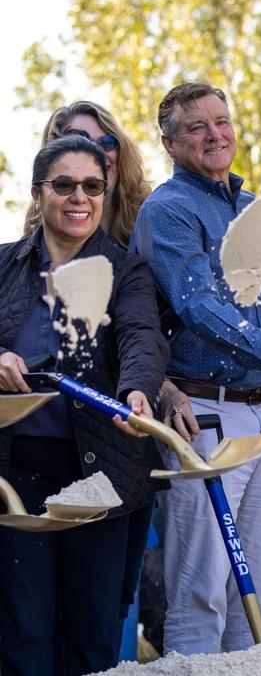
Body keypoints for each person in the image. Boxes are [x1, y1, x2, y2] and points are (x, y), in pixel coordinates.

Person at [130, 82, 261, 654]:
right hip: (204, 414)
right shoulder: (167, 211)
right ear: (171, 144)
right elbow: (196, 305)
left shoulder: (250, 209)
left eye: (221, 121)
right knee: (201, 593)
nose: (215, 135)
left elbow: (252, 304)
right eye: (197, 127)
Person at [0, 135, 168, 675]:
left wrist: (136, 390)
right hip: (15, 471)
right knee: (22, 631)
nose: (80, 197)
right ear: (37, 193)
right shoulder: (3, 266)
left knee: (94, 635)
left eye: (93, 186)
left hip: (101, 470)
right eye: (64, 184)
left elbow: (144, 337)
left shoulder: (128, 271)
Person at [29, 99, 195, 646]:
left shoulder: (143, 234)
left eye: (102, 146)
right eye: (67, 173)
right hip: (50, 444)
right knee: (30, 619)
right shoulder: (25, 255)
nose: (82, 185)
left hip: (127, 436)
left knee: (105, 612)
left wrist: (150, 387)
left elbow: (144, 336)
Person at [25, 101, 151, 247]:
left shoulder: (153, 222)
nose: (96, 154)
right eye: (80, 143)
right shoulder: (15, 258)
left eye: (106, 143)